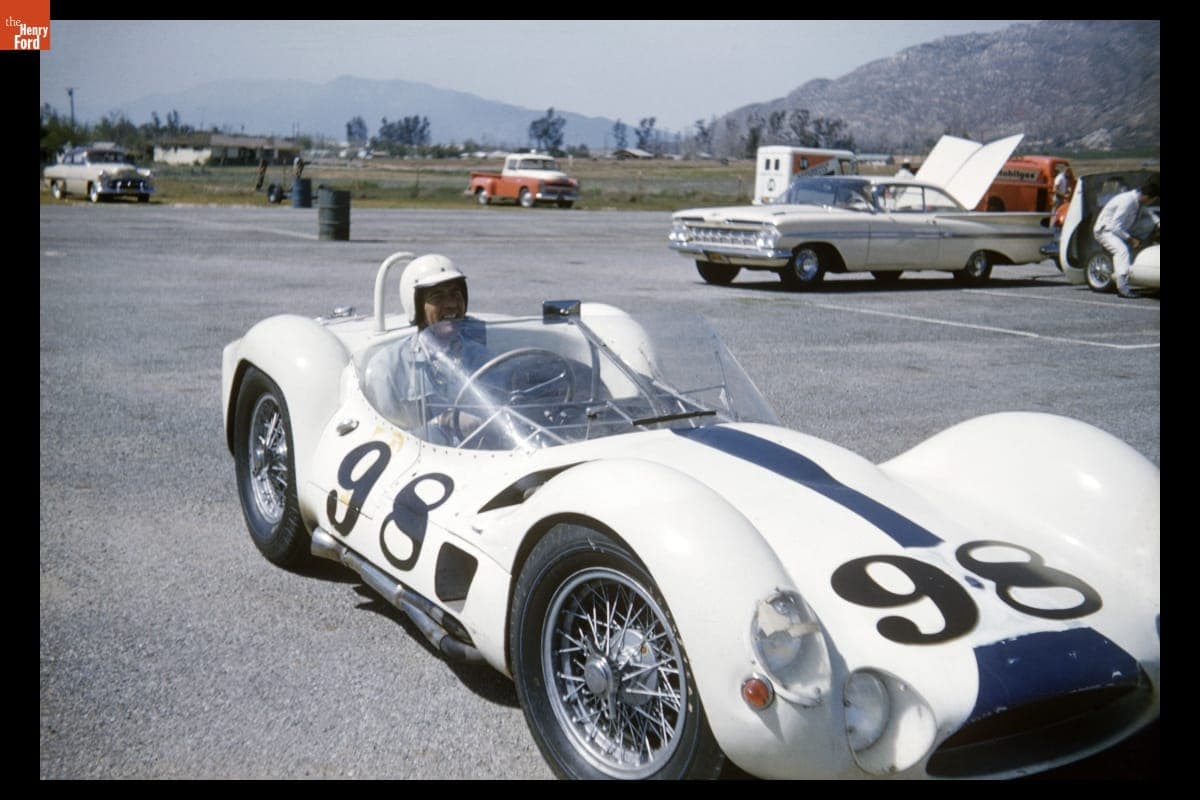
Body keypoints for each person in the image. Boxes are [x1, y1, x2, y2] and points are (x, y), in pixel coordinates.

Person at [365, 254, 490, 441]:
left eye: (456, 294)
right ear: (416, 307)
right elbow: (382, 439)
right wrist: (440, 424)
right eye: (437, 296)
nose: (451, 304)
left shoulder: (482, 358)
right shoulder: (388, 368)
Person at [1092, 178, 1160, 298]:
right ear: (1147, 197)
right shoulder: (1127, 202)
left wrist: (1158, 222)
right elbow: (1114, 226)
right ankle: (1123, 288)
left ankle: (1139, 246)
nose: (1152, 202)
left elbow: (1148, 212)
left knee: (1149, 223)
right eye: (1153, 199)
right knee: (1121, 251)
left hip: (1121, 229)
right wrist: (1130, 239)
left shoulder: (1137, 200)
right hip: (1106, 231)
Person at [1050, 163, 1074, 239]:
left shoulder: (1065, 178)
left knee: (1060, 213)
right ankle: (1051, 229)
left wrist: (1068, 191)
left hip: (1062, 198)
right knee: (1055, 213)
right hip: (1058, 198)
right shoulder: (1060, 178)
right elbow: (1055, 189)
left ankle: (1057, 229)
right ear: (1065, 171)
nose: (1069, 174)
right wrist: (1064, 195)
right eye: (1069, 171)